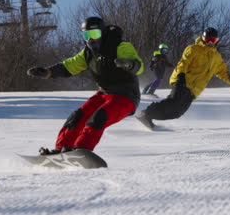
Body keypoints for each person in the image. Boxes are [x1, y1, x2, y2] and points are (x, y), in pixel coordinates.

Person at [27, 16, 143, 154]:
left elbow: (139, 66)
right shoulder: (88, 53)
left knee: (99, 116)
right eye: (87, 35)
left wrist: (130, 64)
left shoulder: (120, 46)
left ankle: (82, 150)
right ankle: (62, 148)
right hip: (104, 93)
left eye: (95, 34)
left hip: (126, 96)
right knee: (77, 116)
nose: (91, 40)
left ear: (103, 33)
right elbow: (70, 65)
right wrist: (48, 72)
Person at [136, 27, 230, 130]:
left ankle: (148, 116)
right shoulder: (193, 49)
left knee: (177, 112)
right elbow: (184, 62)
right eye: (208, 39)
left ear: (216, 41)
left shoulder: (216, 57)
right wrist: (181, 76)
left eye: (213, 40)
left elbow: (223, 72)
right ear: (203, 38)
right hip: (182, 81)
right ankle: (146, 114)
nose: (210, 42)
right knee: (173, 102)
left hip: (194, 89)